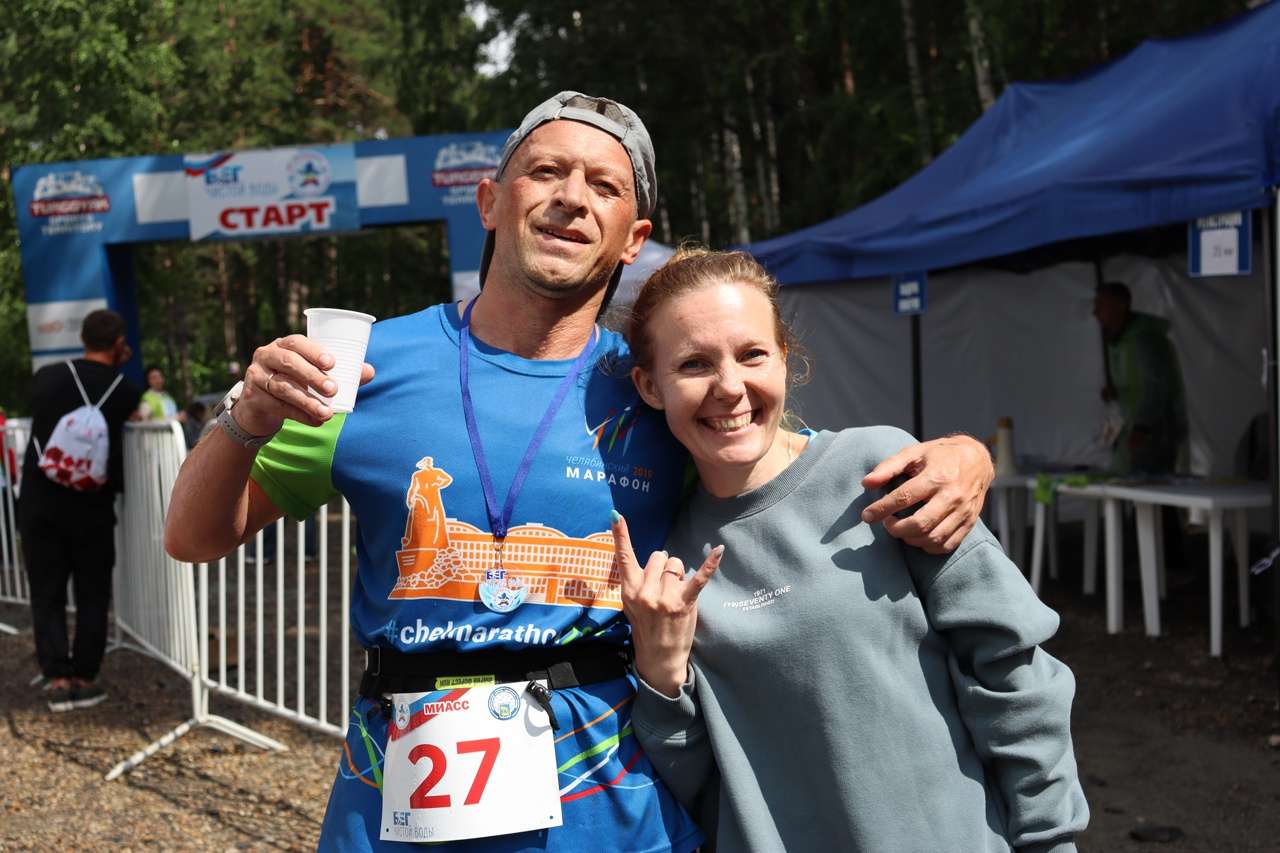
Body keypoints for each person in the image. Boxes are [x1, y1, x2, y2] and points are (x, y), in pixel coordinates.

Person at [164, 92, 995, 852]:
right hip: (397, 800)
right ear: (490, 201)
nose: (572, 197)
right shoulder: (370, 366)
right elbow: (192, 537)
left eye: (605, 185)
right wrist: (245, 420)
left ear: (633, 237)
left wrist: (963, 456)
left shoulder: (657, 387)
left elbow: (796, 470)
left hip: (609, 805)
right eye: (546, 172)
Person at [617, 249, 1088, 852]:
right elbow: (696, 785)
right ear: (650, 385)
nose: (730, 387)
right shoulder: (664, 559)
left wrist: (1050, 838)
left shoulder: (883, 473)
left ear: (784, 358)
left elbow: (1013, 675)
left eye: (752, 354)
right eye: (694, 363)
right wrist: (660, 680)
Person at [19, 309, 142, 712]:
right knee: (92, 593)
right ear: (119, 344)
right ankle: (86, 678)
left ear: (83, 338)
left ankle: (57, 677)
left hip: (40, 502)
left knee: (46, 592)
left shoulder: (48, 377)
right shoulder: (124, 389)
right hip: (92, 507)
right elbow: (128, 409)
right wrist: (120, 366)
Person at [1093, 281, 1187, 475]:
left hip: (1153, 435)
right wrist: (1117, 393)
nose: (1095, 312)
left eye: (1101, 305)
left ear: (1121, 306)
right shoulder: (1120, 342)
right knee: (1125, 482)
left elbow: (1155, 388)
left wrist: (1142, 428)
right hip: (1132, 431)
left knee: (1150, 487)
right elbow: (1137, 385)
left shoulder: (1146, 340)